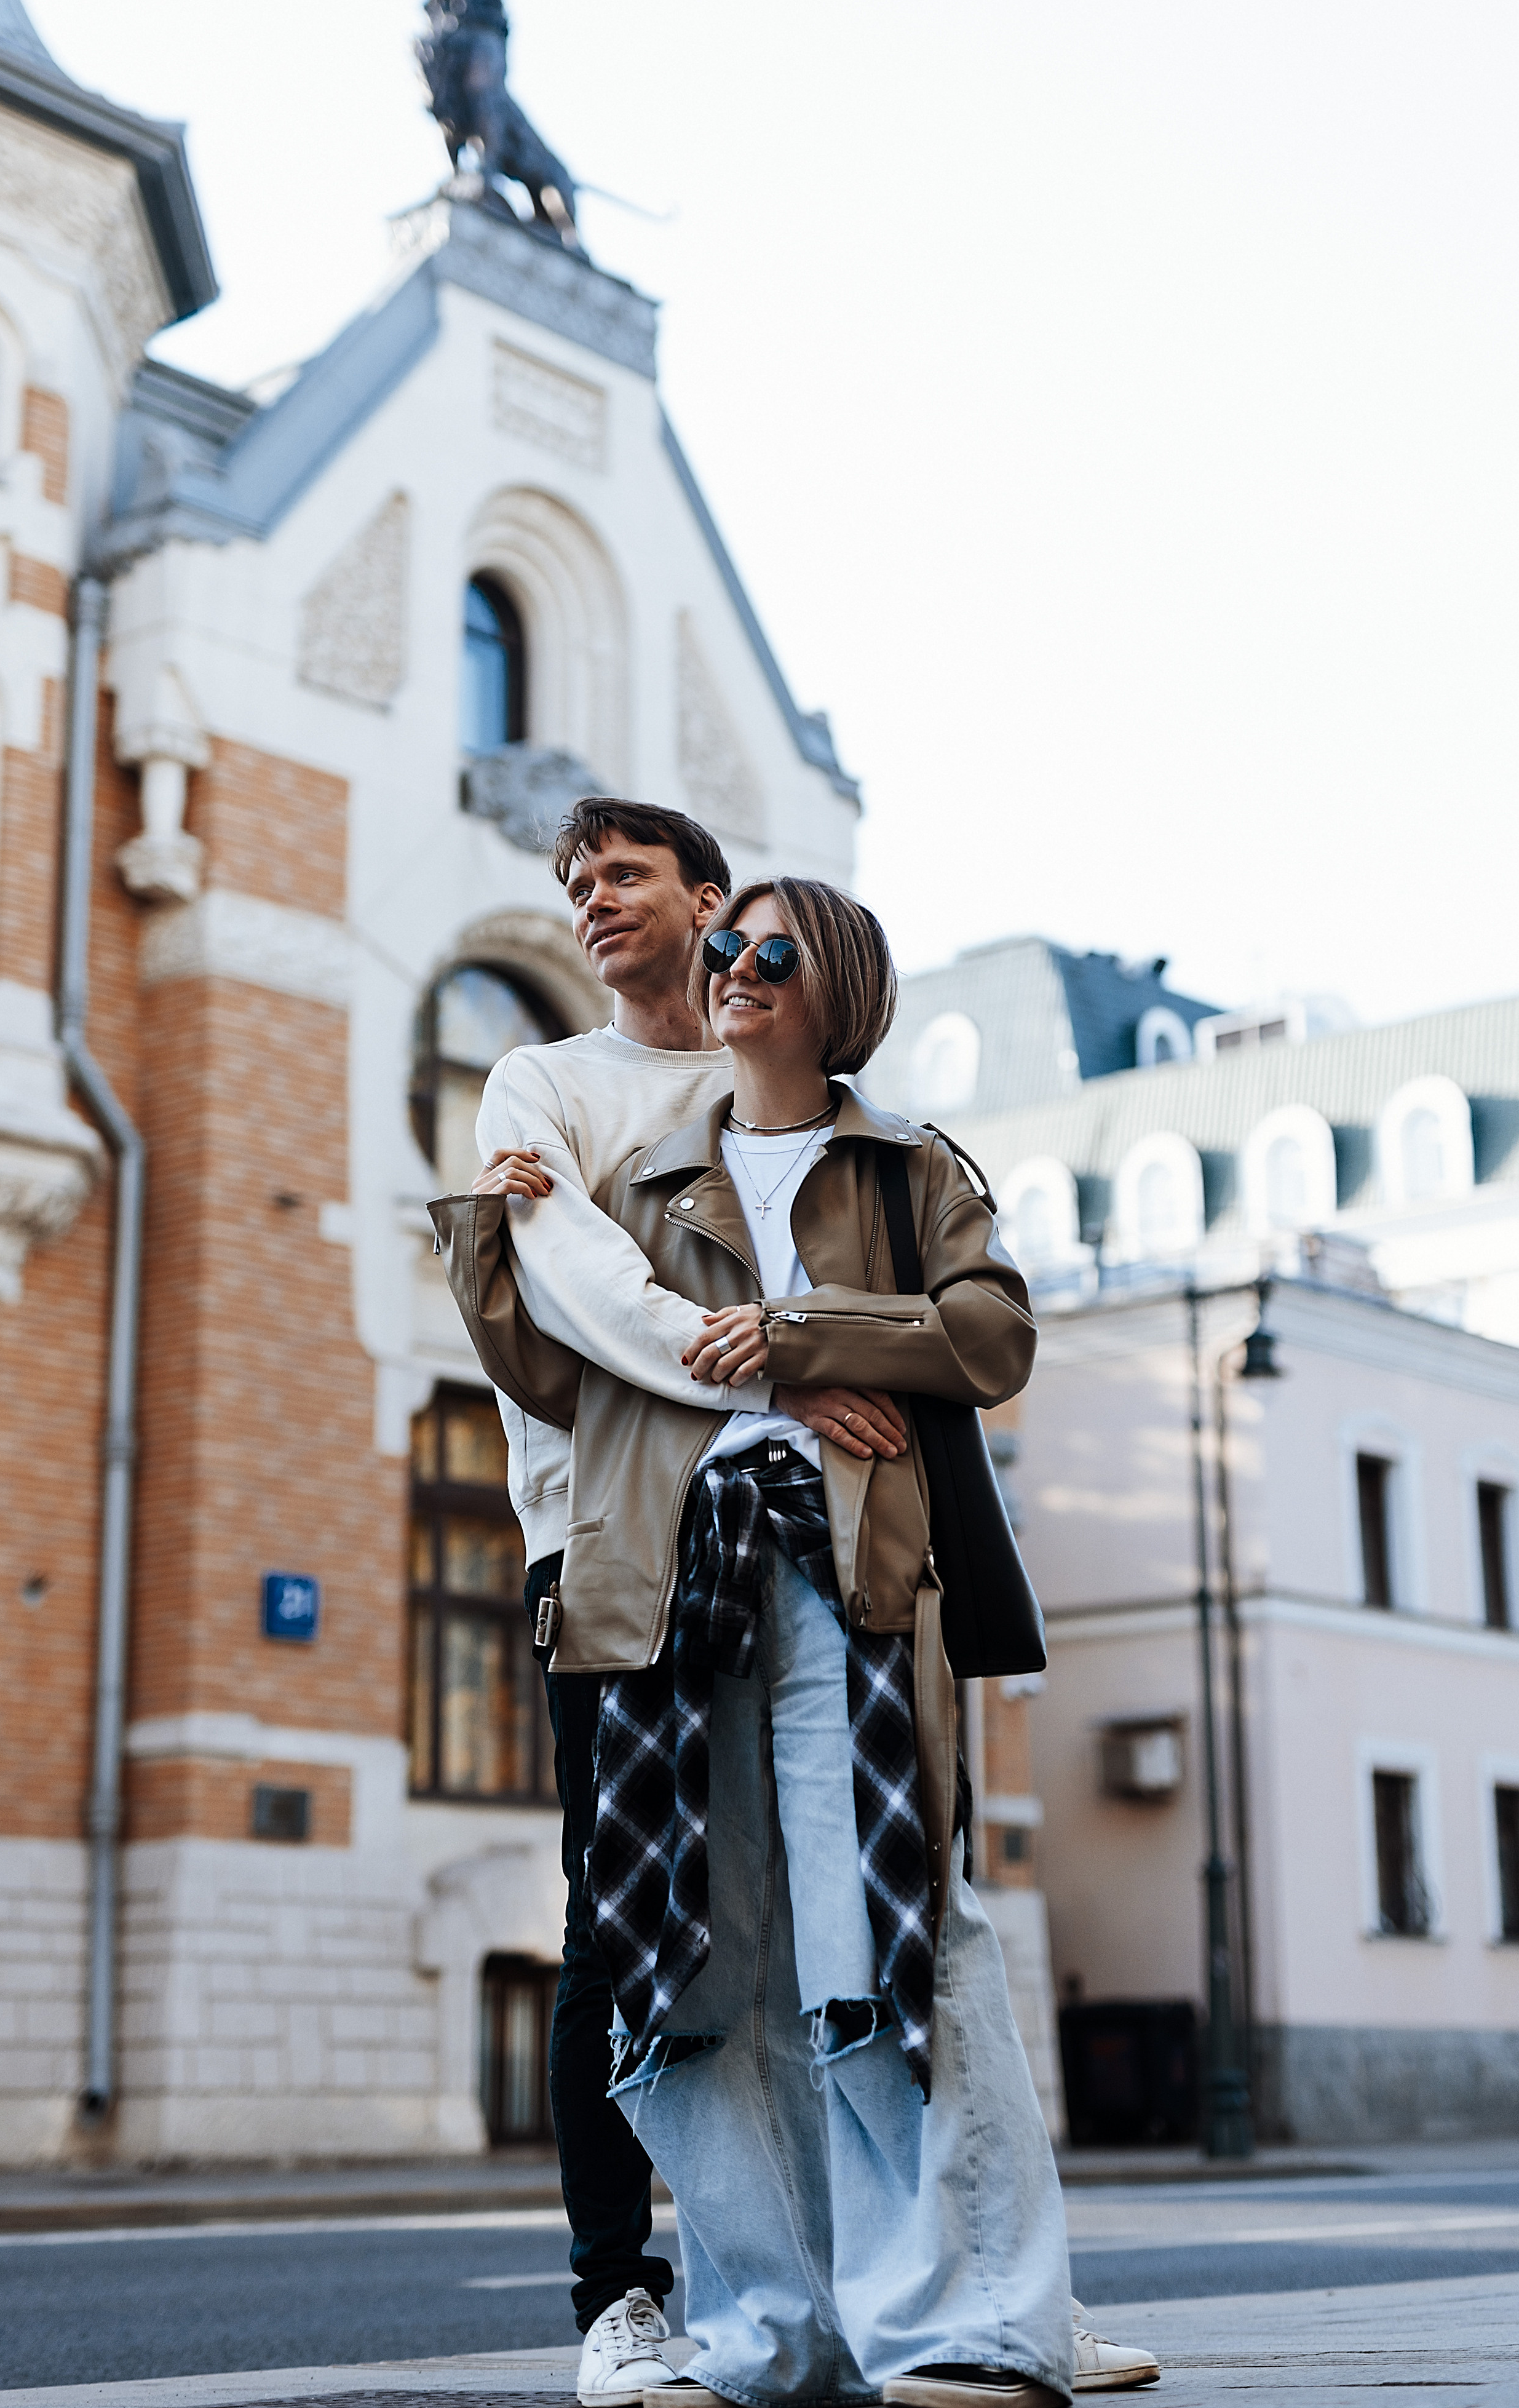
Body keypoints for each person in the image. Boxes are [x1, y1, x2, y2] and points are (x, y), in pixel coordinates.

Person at [461, 878, 1095, 2408]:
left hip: (851, 1577)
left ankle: (971, 2329)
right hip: (669, 1586)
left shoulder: (903, 1159)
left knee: (883, 1933)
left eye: (771, 950)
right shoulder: (647, 1188)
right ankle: (773, 2337)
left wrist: (799, 1339)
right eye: (726, 946)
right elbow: (566, 1380)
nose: (734, 968)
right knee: (690, 1961)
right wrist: (503, 1234)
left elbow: (991, 1332)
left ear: (840, 984)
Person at [448, 800, 912, 2408]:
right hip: (612, 1545)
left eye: (624, 875)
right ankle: (616, 2297)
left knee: (833, 1920)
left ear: (714, 905)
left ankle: (889, 2299)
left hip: (799, 1541)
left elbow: (900, 1279)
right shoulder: (543, 1087)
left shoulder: (768, 1074)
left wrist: (831, 1348)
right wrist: (789, 1371)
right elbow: (582, 1308)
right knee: (627, 1915)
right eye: (573, 884)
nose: (589, 902)